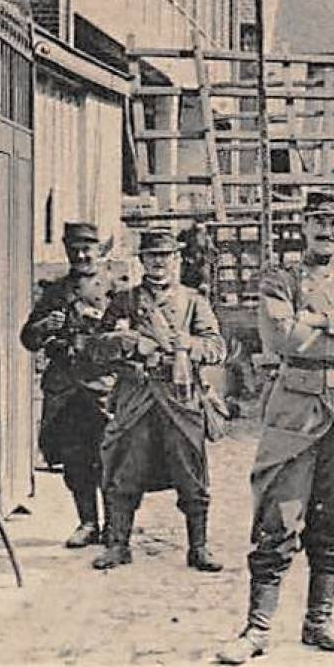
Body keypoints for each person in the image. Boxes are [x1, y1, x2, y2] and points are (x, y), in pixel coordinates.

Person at [216, 189, 334, 665]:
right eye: (318, 220)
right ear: (304, 225)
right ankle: (256, 630)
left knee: (333, 521)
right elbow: (281, 335)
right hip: (295, 413)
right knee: (278, 519)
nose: (327, 230)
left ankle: (319, 623)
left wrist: (324, 319)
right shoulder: (281, 279)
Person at [90, 228, 228, 572]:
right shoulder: (124, 301)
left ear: (177, 260)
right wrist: (129, 341)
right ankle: (118, 545)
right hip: (137, 397)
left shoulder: (193, 301)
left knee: (191, 471)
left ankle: (199, 547)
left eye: (165, 256)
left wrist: (187, 345)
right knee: (124, 469)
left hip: (180, 398)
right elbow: (96, 348)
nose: (158, 263)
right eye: (151, 256)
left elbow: (217, 347)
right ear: (141, 261)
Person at [20, 222, 116, 550]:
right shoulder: (53, 292)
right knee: (75, 459)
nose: (81, 254)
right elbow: (28, 339)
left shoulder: (114, 289)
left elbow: (133, 333)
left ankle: (115, 525)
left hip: (104, 386)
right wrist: (45, 326)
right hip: (66, 389)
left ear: (100, 250)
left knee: (111, 457)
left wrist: (102, 326)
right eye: (74, 248)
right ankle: (88, 522)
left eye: (88, 247)